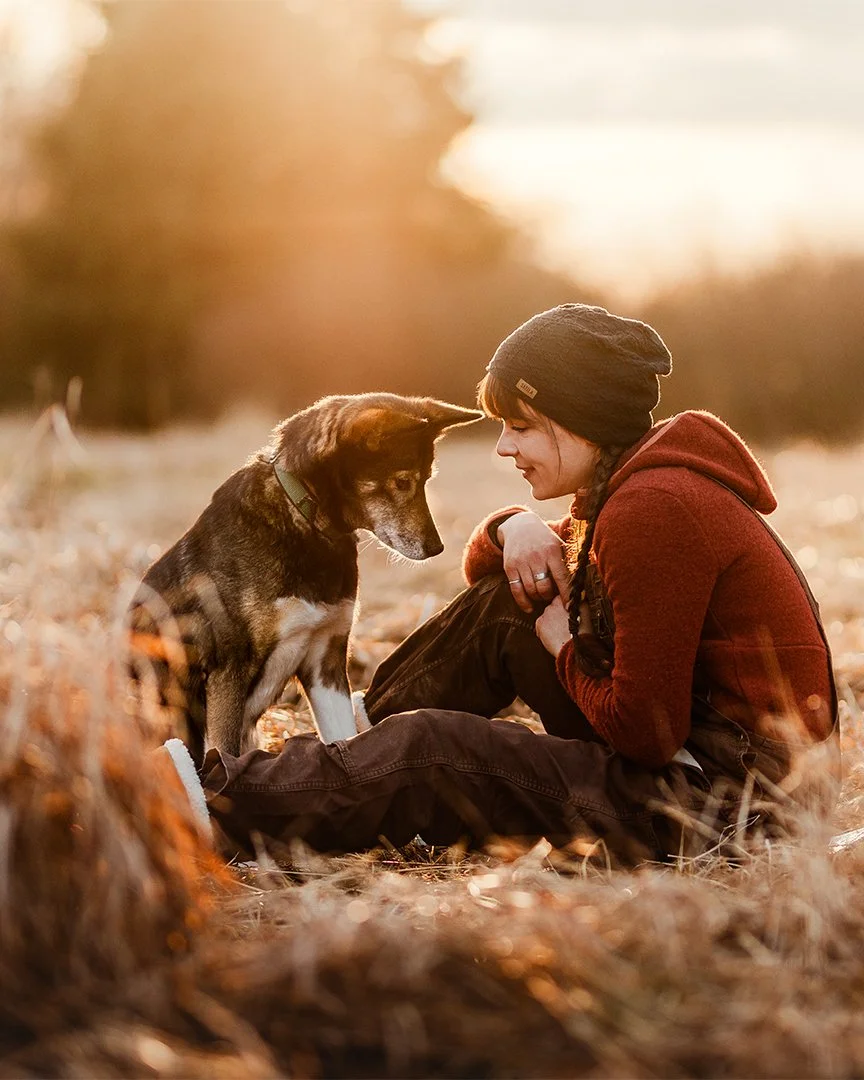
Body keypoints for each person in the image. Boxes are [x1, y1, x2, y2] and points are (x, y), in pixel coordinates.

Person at [160, 304, 841, 867]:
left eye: (521, 427)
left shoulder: (654, 510)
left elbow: (645, 735)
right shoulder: (631, 485)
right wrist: (514, 526)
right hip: (704, 762)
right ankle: (360, 759)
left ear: (583, 421)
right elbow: (494, 577)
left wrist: (564, 647)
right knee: (507, 606)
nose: (503, 448)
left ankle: (207, 805)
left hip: (726, 812)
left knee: (436, 748)